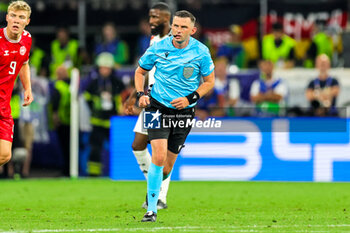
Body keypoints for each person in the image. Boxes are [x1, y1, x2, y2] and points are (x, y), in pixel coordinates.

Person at [135, 10, 215, 222]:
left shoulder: (201, 52)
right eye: (175, 26)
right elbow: (140, 71)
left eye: (183, 27)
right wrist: (140, 94)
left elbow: (209, 82)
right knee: (158, 156)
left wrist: (190, 98)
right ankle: (151, 209)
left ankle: (153, 190)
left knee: (167, 167)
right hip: (156, 107)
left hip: (185, 111)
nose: (178, 30)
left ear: (193, 30)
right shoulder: (158, 47)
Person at [123, 2, 172, 210]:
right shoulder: (154, 39)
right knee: (138, 144)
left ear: (167, 18)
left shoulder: (174, 41)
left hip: (167, 103)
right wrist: (134, 95)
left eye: (156, 17)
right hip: (151, 101)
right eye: (150, 17)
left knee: (161, 151)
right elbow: (146, 70)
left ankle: (159, 196)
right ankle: (154, 186)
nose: (151, 21)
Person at [0, 0, 33, 168]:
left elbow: (24, 63)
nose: (16, 20)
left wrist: (27, 88)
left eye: (21, 17)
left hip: (4, 106)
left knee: (5, 155)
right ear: (7, 18)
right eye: (13, 16)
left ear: (27, 21)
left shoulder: (27, 39)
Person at [83, 52, 125, 176]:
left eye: (106, 68)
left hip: (114, 122)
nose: (104, 70)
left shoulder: (117, 82)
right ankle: (93, 174)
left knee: (117, 147)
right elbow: (87, 98)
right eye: (102, 68)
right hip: (97, 122)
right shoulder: (94, 83)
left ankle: (120, 172)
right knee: (95, 148)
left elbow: (122, 99)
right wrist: (95, 106)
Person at [51, 65, 71, 176]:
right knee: (68, 147)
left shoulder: (58, 85)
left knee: (64, 147)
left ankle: (66, 170)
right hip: (70, 120)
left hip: (62, 121)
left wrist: (55, 117)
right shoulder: (70, 85)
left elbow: (55, 103)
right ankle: (69, 169)